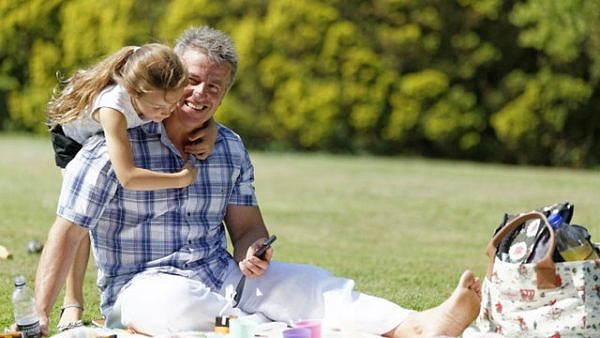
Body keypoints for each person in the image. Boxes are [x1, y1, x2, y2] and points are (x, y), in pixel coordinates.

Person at [34, 26, 482, 337]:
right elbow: (66, 234)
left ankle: (418, 326)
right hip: (141, 288)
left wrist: (254, 250)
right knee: (178, 307)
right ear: (168, 78)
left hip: (224, 278)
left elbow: (247, 227)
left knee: (311, 283)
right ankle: (274, 327)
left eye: (215, 86)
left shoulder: (228, 147)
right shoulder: (111, 149)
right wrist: (39, 317)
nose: (201, 94)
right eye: (191, 80)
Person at [45, 42, 217, 331]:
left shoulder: (156, 72)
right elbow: (127, 176)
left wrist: (209, 128)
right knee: (81, 220)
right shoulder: (113, 107)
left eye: (171, 104)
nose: (169, 111)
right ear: (135, 92)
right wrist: (180, 179)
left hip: (121, 124)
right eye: (160, 107)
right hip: (73, 137)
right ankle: (72, 304)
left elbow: (191, 110)